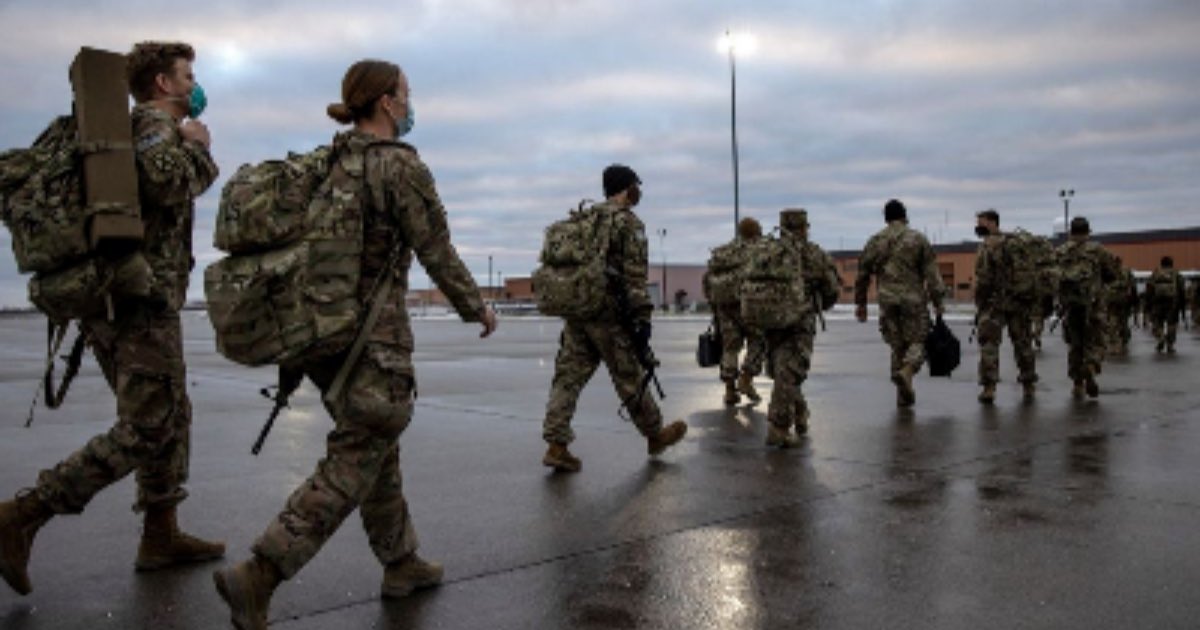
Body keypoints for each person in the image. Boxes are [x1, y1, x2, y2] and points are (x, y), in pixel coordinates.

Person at [212, 59, 497, 630]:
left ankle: (401, 562)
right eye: (406, 95)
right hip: (374, 337)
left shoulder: (328, 162)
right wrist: (477, 307)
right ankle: (261, 572)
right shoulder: (397, 167)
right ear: (387, 104)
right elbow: (436, 249)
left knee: (376, 450)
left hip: (321, 336)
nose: (411, 105)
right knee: (356, 456)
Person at [0, 41, 223, 597]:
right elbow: (164, 180)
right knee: (148, 426)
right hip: (137, 300)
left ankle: (160, 532)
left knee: (169, 415)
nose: (194, 84)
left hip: (118, 295)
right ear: (163, 84)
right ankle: (21, 516)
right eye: (187, 75)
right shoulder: (153, 124)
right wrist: (199, 148)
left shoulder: (130, 127)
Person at [540, 164, 688, 473]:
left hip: (579, 310)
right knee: (629, 376)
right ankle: (654, 434)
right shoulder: (627, 223)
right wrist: (642, 319)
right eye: (636, 185)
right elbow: (635, 277)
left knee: (568, 377)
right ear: (626, 187)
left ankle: (556, 444)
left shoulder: (584, 219)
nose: (639, 191)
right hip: (608, 314)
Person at [854, 199, 945, 407]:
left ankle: (903, 395)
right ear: (904, 215)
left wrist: (861, 304)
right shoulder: (917, 239)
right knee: (918, 342)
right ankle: (907, 371)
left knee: (897, 346)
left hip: (887, 300)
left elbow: (862, 275)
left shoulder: (875, 241)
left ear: (886, 218)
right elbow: (932, 275)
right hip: (912, 300)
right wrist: (938, 301)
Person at [766, 209, 838, 444]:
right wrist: (817, 304)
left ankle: (800, 413)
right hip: (800, 321)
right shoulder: (812, 253)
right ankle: (778, 428)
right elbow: (831, 289)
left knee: (782, 369)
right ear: (803, 227)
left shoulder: (767, 251)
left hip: (770, 321)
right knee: (791, 371)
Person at [973, 209, 1044, 403]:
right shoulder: (1015, 243)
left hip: (994, 303)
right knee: (1022, 344)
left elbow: (984, 279)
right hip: (1018, 302)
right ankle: (1028, 384)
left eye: (981, 222)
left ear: (991, 222)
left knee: (988, 345)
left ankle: (989, 388)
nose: (977, 226)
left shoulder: (989, 246)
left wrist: (980, 302)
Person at [702, 217, 766, 405]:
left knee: (730, 347)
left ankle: (730, 390)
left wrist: (714, 303)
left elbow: (708, 280)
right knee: (757, 342)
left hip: (725, 307)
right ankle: (746, 378)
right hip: (750, 305)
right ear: (756, 233)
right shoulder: (758, 252)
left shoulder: (724, 252)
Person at [1055, 217, 1119, 398]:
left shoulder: (1060, 251)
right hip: (1094, 305)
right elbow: (1112, 274)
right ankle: (1090, 367)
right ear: (1088, 231)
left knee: (1075, 344)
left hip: (1070, 306)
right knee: (1097, 341)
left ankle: (1077, 384)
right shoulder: (1097, 250)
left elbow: (1052, 278)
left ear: (1070, 232)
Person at [1145, 256, 1186, 353]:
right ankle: (1170, 345)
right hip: (1172, 302)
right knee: (1172, 324)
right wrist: (1182, 304)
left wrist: (1148, 303)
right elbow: (1181, 290)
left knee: (1157, 322)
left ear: (1161, 264)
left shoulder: (1155, 273)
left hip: (1157, 302)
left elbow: (1149, 288)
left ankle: (1161, 337)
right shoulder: (1176, 273)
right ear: (1171, 263)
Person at [1103, 258, 1137, 355]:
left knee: (1111, 322)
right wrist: (1134, 302)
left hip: (1110, 301)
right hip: (1124, 300)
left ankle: (1113, 344)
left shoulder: (1107, 272)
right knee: (1123, 322)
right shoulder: (1127, 272)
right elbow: (1133, 287)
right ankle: (1122, 343)